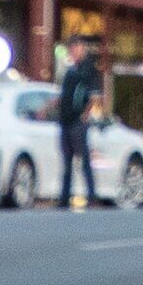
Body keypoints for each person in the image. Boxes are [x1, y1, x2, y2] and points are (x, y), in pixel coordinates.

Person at [54, 36, 104, 208]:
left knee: (83, 160)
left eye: (74, 48)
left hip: (77, 121)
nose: (71, 52)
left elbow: (94, 96)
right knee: (67, 162)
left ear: (81, 48)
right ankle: (64, 198)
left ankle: (91, 196)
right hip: (66, 120)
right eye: (70, 49)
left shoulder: (88, 69)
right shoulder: (70, 71)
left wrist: (85, 114)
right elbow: (64, 95)